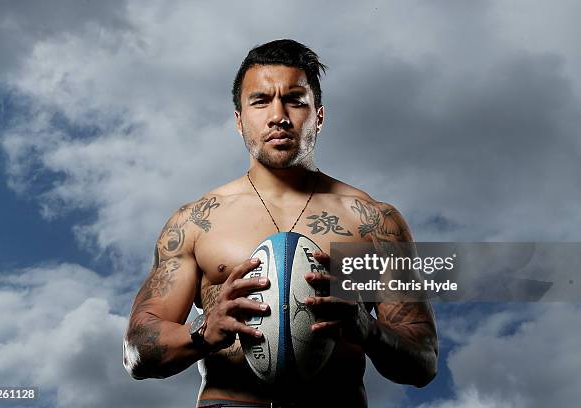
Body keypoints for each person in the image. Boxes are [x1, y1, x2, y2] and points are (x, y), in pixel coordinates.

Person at [123, 39, 438, 407]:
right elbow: (136, 352)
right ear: (239, 121)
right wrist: (203, 332)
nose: (278, 116)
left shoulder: (373, 222)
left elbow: (423, 361)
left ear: (318, 115)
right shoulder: (196, 221)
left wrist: (366, 330)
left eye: (294, 99)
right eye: (260, 101)